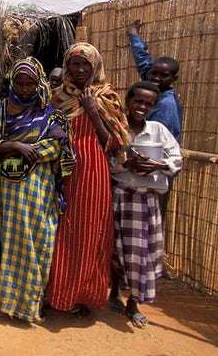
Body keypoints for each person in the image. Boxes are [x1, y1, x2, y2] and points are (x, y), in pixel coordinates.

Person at [0, 57, 75, 324]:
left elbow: (59, 147)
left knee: (39, 241)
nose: (24, 89)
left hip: (38, 189)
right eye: (20, 83)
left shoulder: (50, 114)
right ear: (12, 83)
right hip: (5, 190)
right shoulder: (0, 112)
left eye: (30, 83)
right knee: (10, 243)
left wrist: (32, 151)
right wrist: (13, 147)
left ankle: (33, 302)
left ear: (39, 83)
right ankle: (10, 302)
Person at [45, 42, 130, 317]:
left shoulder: (106, 96)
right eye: (75, 64)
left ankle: (84, 295)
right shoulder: (57, 97)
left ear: (95, 66)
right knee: (60, 232)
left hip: (93, 173)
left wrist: (92, 109)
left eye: (86, 64)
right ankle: (57, 292)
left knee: (90, 232)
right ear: (67, 65)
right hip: (61, 172)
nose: (80, 70)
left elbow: (114, 142)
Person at [108, 81, 182, 328]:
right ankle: (114, 293)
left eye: (148, 103)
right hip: (120, 195)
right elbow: (107, 159)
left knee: (141, 253)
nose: (142, 107)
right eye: (138, 101)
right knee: (116, 249)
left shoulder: (159, 130)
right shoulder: (118, 129)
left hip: (145, 198)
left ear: (153, 106)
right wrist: (124, 164)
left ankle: (134, 303)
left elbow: (176, 157)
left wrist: (157, 165)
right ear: (127, 102)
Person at [127, 20, 183, 224]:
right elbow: (143, 62)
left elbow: (158, 144)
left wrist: (152, 165)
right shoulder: (151, 88)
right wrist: (134, 36)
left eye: (163, 75)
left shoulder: (165, 106)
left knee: (150, 221)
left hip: (153, 173)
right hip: (135, 173)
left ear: (173, 79)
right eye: (154, 73)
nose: (156, 78)